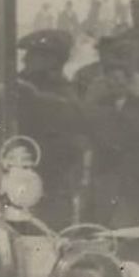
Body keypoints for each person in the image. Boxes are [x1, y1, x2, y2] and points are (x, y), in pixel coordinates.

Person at [13, 29, 88, 229]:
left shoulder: (63, 92)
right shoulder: (20, 84)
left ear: (53, 60)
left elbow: (71, 143)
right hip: (19, 176)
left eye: (35, 54)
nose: (26, 59)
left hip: (50, 182)